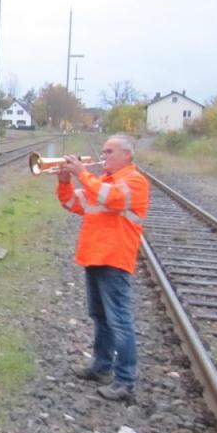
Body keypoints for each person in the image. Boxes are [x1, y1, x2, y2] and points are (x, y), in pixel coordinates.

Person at [57, 135, 150, 401]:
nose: (104, 155)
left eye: (109, 151)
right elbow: (72, 203)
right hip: (94, 257)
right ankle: (101, 367)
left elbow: (112, 198)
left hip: (114, 259)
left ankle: (125, 381)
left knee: (119, 320)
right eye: (103, 151)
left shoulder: (134, 182)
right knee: (100, 317)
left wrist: (82, 173)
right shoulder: (103, 182)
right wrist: (64, 181)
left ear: (127, 155)